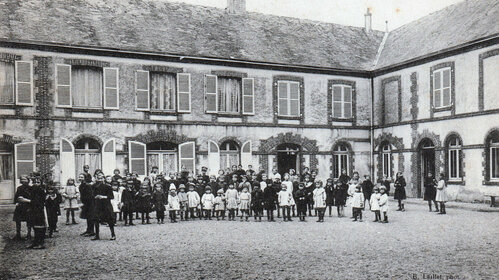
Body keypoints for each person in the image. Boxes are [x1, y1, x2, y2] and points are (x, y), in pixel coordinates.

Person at [92, 174, 116, 240]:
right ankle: (97, 235)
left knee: (109, 219)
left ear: (103, 179)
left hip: (106, 205)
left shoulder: (107, 187)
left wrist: (103, 197)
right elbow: (92, 195)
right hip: (98, 205)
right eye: (98, 179)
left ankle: (113, 234)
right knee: (96, 219)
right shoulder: (94, 186)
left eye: (101, 178)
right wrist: (95, 197)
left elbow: (111, 196)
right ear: (96, 179)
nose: (100, 180)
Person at [26, 177, 47, 249]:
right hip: (33, 210)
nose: (36, 184)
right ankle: (35, 242)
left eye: (38, 182)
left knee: (40, 227)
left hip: (39, 210)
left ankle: (41, 243)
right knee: (34, 226)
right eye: (34, 182)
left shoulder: (41, 190)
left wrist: (27, 201)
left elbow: (39, 202)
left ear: (41, 183)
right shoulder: (32, 190)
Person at [13, 175, 32, 240]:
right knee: (17, 220)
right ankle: (18, 234)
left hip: (28, 206)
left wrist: (26, 200)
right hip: (20, 206)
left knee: (29, 220)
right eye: (22, 179)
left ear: (28, 180)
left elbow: (32, 198)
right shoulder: (19, 188)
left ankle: (29, 234)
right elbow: (16, 197)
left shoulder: (31, 188)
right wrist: (17, 202)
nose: (23, 181)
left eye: (25, 179)